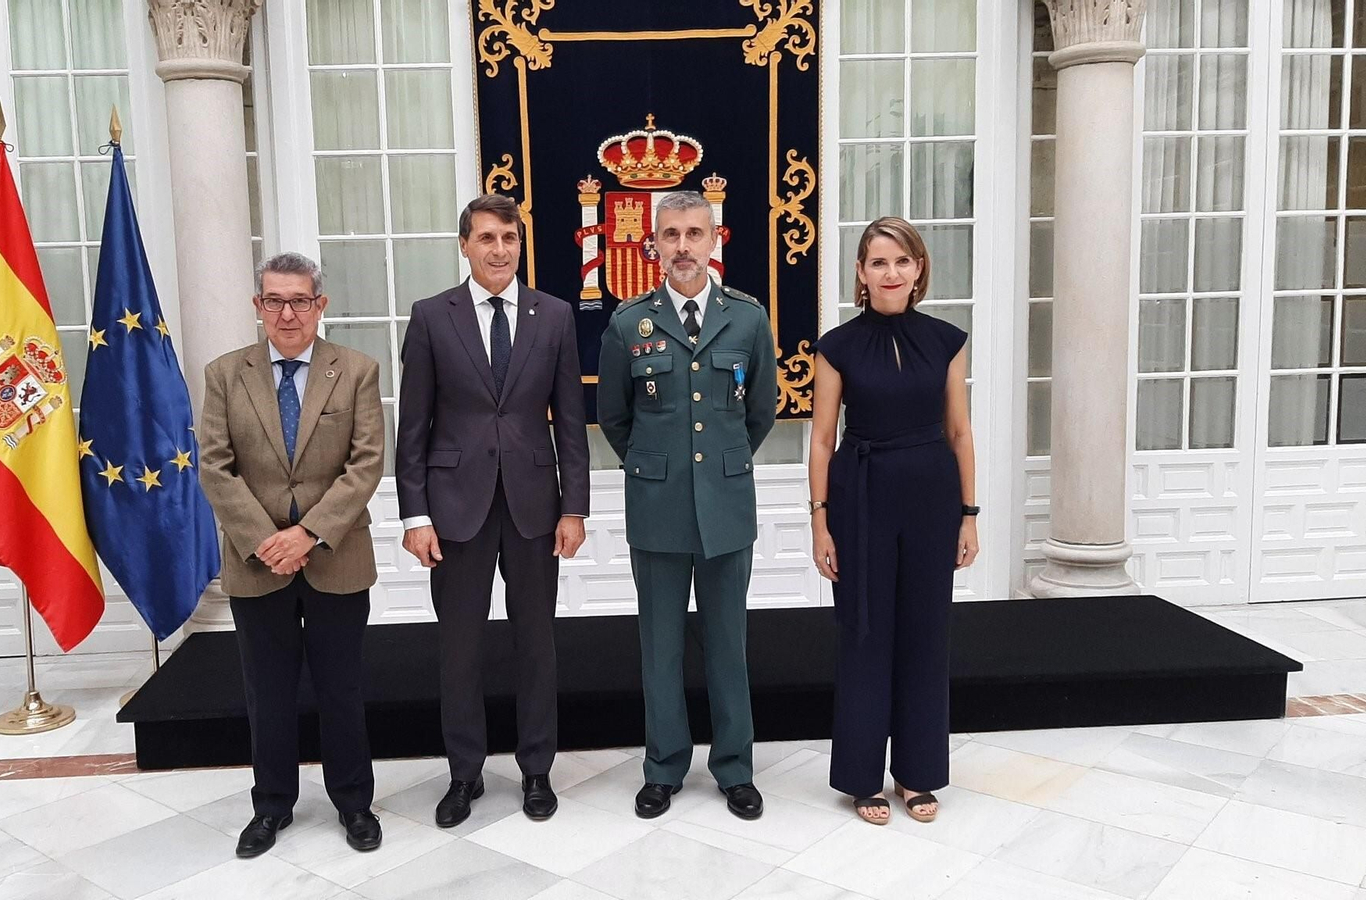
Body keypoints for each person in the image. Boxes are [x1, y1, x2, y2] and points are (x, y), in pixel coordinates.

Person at [396, 194, 591, 827]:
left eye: (509, 237)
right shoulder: (432, 317)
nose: (499, 249)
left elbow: (570, 421)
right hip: (455, 510)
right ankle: (464, 774)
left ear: (520, 244)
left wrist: (575, 507)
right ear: (465, 245)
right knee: (460, 648)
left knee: (537, 644)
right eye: (486, 238)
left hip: (536, 507)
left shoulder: (554, 315)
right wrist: (414, 515)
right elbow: (413, 427)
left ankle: (537, 770)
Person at [596, 190, 776, 821]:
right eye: (670, 235)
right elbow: (614, 418)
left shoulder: (749, 319)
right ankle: (664, 767)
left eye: (694, 234)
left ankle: (735, 767)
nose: (682, 247)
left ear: (715, 240)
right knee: (660, 644)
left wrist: (718, 464)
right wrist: (656, 465)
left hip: (726, 505)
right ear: (653, 245)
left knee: (730, 642)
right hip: (659, 505)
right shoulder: (628, 323)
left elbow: (759, 415)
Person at [199, 252, 386, 858]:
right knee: (268, 694)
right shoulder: (225, 374)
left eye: (299, 300)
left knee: (342, 690)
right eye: (274, 300)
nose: (287, 312)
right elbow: (215, 466)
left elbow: (365, 465)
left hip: (336, 557)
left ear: (319, 305)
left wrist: (307, 534)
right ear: (258, 307)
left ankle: (354, 803)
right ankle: (271, 806)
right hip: (258, 563)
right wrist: (267, 541)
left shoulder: (355, 370)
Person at [808, 216, 978, 826]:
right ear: (860, 273)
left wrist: (969, 515)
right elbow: (822, 438)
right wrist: (820, 522)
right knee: (864, 632)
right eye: (878, 262)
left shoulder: (947, 341)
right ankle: (861, 777)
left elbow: (960, 432)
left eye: (902, 261)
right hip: (862, 495)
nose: (891, 273)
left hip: (933, 495)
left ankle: (917, 772)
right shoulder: (837, 346)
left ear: (919, 270)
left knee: (926, 633)